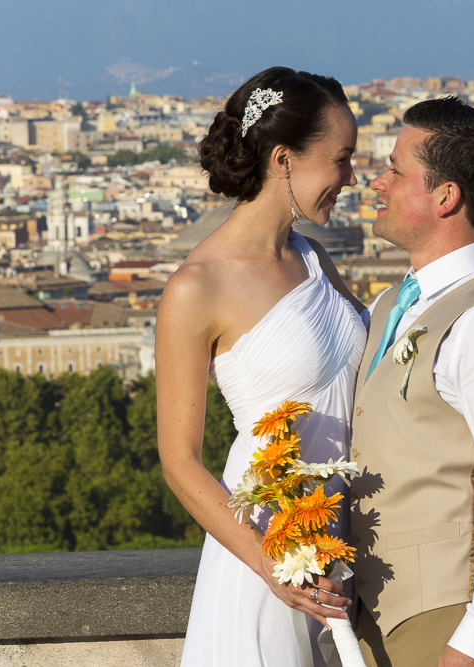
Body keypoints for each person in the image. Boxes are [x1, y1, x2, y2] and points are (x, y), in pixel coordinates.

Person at [156, 66, 366, 667]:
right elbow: (180, 461)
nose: (350, 179)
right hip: (271, 546)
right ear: (283, 159)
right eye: (341, 160)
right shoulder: (196, 288)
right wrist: (274, 565)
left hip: (347, 535)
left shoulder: (314, 258)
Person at [350, 97, 474, 667]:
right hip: (379, 617)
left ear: (446, 196)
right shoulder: (392, 303)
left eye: (394, 169)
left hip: (448, 625)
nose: (377, 182)